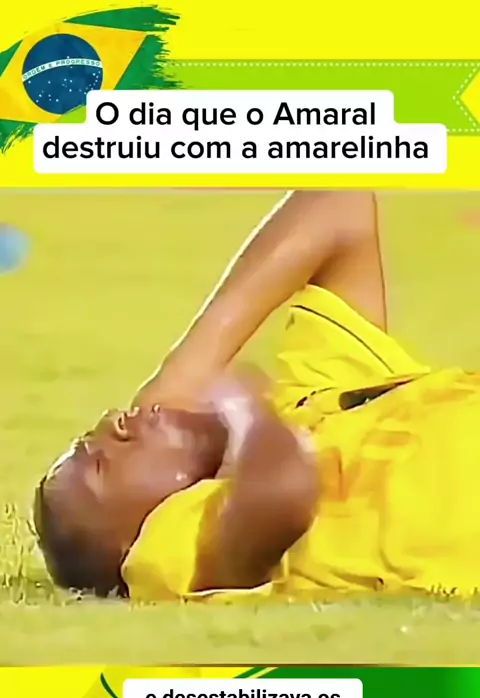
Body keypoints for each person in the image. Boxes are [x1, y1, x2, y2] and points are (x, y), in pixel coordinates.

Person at [33, 191, 480, 602]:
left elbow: (342, 201)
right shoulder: (177, 547)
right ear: (129, 543)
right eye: (99, 460)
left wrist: (182, 372)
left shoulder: (313, 401)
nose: (114, 421)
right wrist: (241, 407)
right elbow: (279, 493)